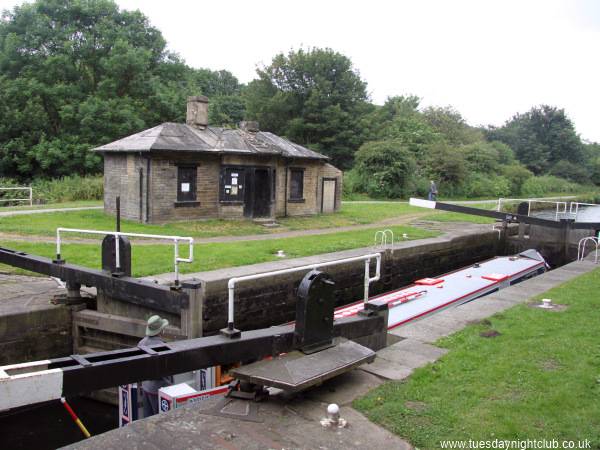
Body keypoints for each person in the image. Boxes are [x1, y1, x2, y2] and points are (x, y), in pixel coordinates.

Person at [138, 315, 173, 417]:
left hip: (145, 386)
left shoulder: (141, 343)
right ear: (160, 330)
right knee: (159, 419)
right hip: (159, 389)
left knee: (147, 418)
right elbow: (165, 370)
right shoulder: (162, 346)